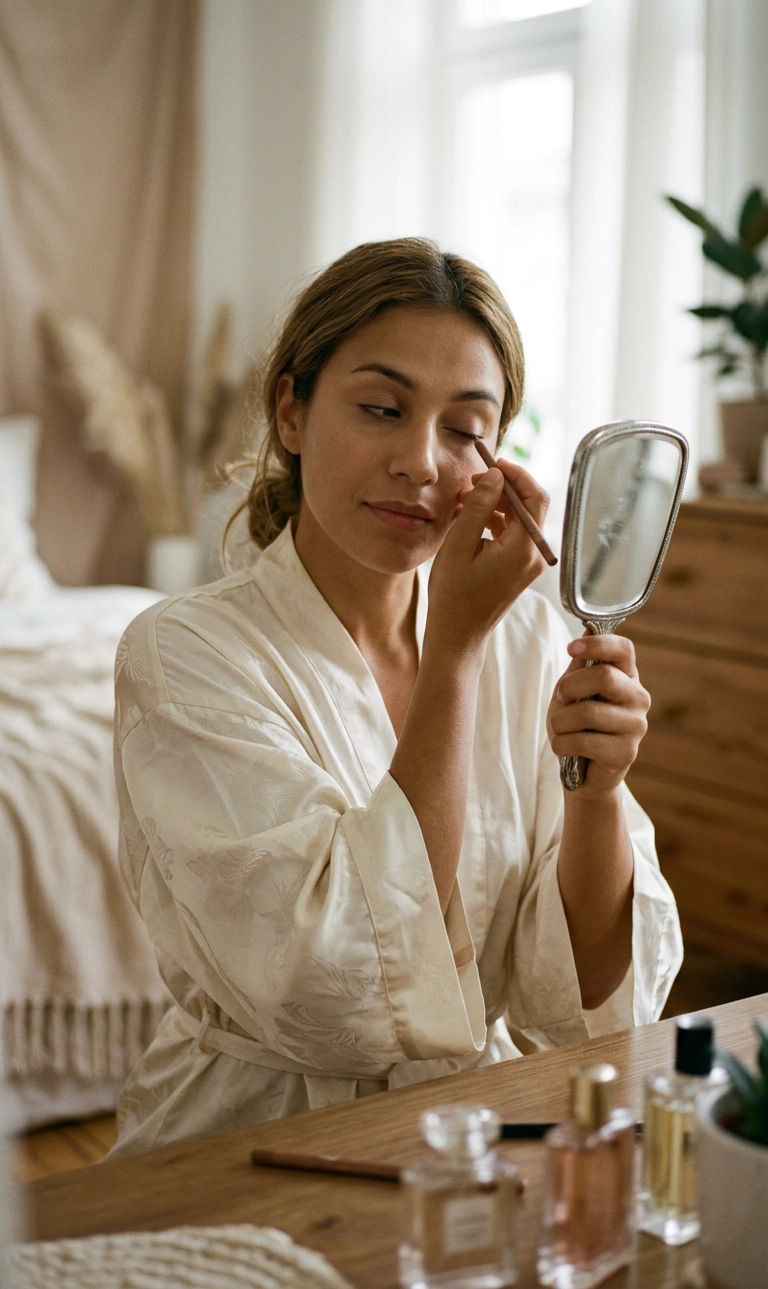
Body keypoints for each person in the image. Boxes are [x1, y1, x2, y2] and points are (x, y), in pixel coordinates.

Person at [110, 238, 682, 1157]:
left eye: (465, 429)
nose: (423, 461)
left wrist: (598, 791)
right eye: (382, 408)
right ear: (290, 411)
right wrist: (453, 652)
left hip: (477, 1136)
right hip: (252, 1143)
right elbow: (331, 987)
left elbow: (586, 1011)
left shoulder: (533, 640)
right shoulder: (185, 653)